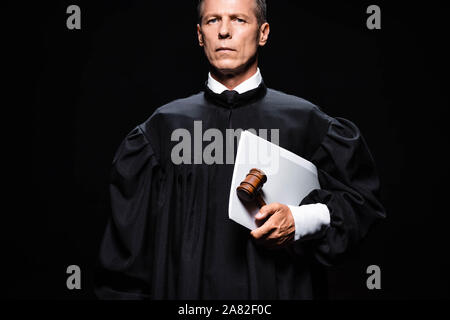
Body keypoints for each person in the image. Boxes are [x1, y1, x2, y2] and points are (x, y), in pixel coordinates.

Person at [94, 0, 386, 299]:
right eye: (212, 20)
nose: (224, 31)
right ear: (199, 34)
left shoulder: (305, 123)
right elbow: (124, 262)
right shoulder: (162, 131)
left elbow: (361, 207)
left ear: (263, 33)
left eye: (238, 20)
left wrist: (300, 221)